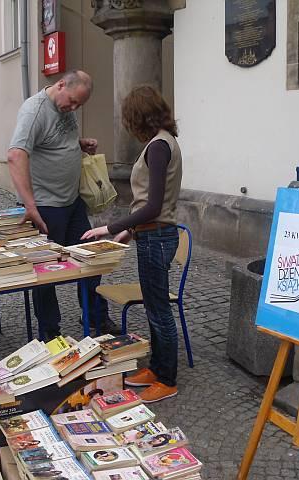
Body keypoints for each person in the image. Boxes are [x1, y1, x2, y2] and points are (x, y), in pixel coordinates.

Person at [82, 85, 182, 403]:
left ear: (139, 118)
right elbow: (152, 207)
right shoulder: (163, 142)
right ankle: (156, 367)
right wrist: (131, 232)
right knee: (154, 307)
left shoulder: (158, 146)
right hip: (150, 233)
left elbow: (152, 207)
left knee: (159, 311)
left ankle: (167, 378)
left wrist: (110, 228)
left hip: (156, 235)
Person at [7, 70, 121, 340]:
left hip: (72, 202)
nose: (73, 108)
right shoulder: (34, 111)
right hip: (46, 207)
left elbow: (54, 141)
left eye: (78, 105)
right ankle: (50, 331)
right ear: (60, 85)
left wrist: (78, 144)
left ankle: (96, 316)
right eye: (71, 102)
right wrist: (30, 205)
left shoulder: (65, 105)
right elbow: (15, 154)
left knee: (90, 260)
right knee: (45, 272)